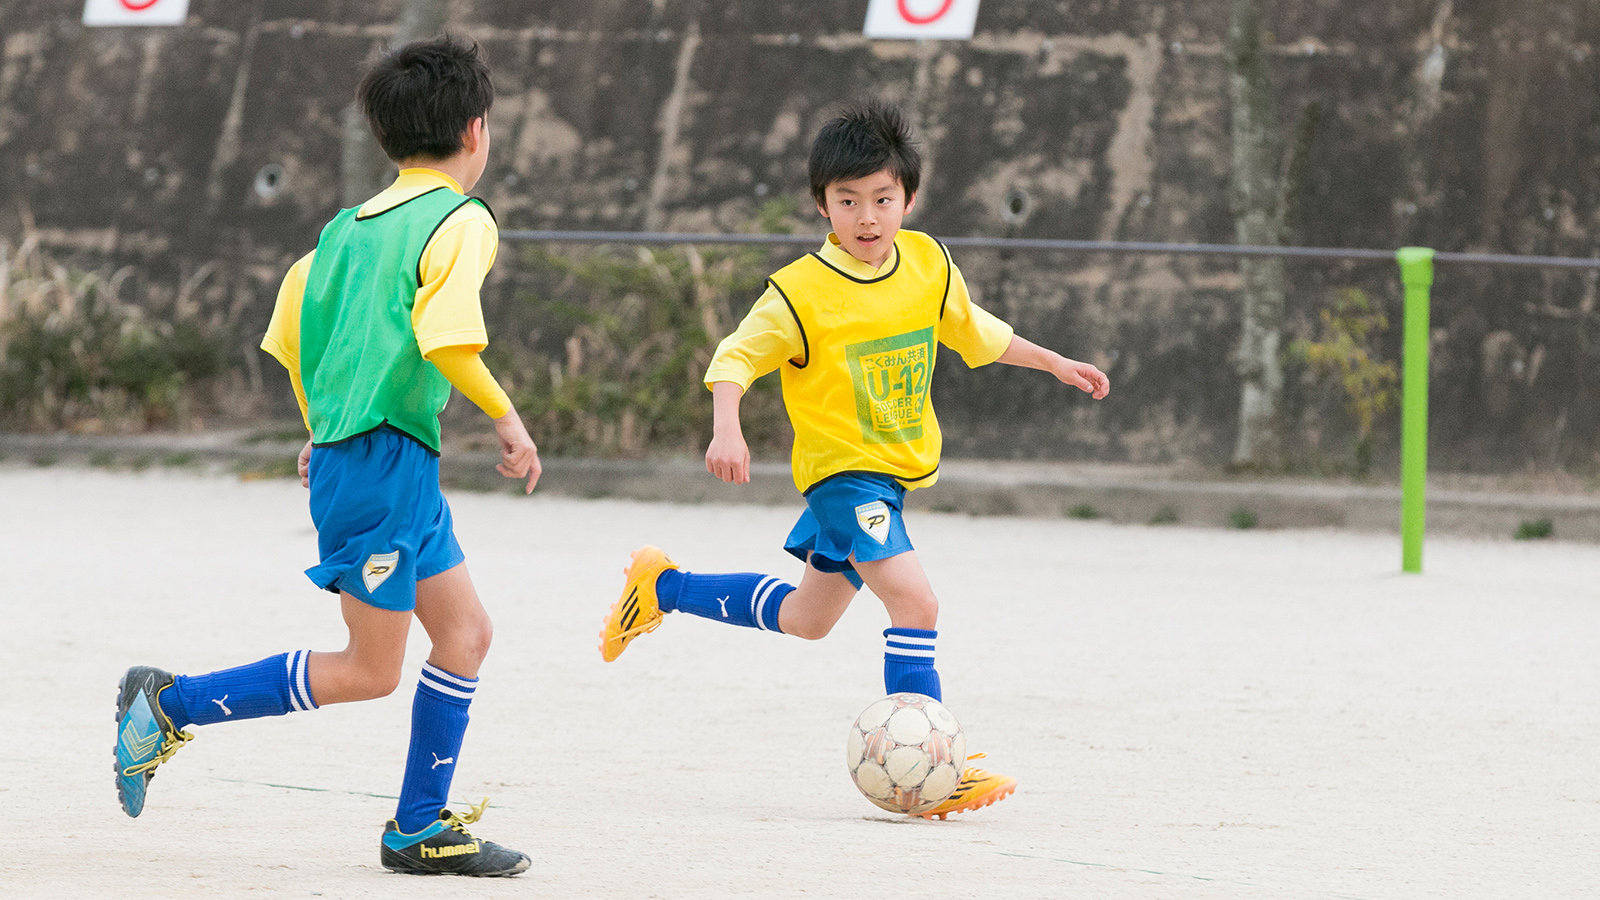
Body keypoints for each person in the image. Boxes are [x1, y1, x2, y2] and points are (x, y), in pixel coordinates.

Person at [598, 101, 1111, 820]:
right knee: (916, 601)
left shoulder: (928, 262)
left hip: (890, 480)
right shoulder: (799, 292)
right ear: (821, 206)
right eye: (847, 202)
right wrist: (726, 428)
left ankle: (662, 587)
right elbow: (735, 358)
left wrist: (1054, 362)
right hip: (845, 478)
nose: (867, 217)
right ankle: (933, 773)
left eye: (882, 199)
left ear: (908, 197)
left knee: (808, 619)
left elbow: (977, 332)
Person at [113, 34, 542, 877]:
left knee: (465, 634)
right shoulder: (462, 219)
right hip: (382, 469)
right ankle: (167, 704)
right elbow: (448, 337)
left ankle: (418, 829)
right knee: (369, 670)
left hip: (384, 463)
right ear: (477, 131)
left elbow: (294, 336)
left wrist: (322, 428)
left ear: (386, 138)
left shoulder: (342, 231)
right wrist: (508, 418)